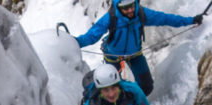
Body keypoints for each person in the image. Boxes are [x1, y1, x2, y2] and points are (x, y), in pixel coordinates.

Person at [75, 0, 203, 96]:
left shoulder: (141, 13)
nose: (130, 10)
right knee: (109, 87)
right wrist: (74, 42)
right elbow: (91, 36)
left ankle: (132, 104)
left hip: (135, 55)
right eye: (126, 8)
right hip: (113, 56)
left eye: (131, 6)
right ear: (118, 7)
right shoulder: (110, 18)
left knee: (146, 86)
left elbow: (166, 18)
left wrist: (191, 20)